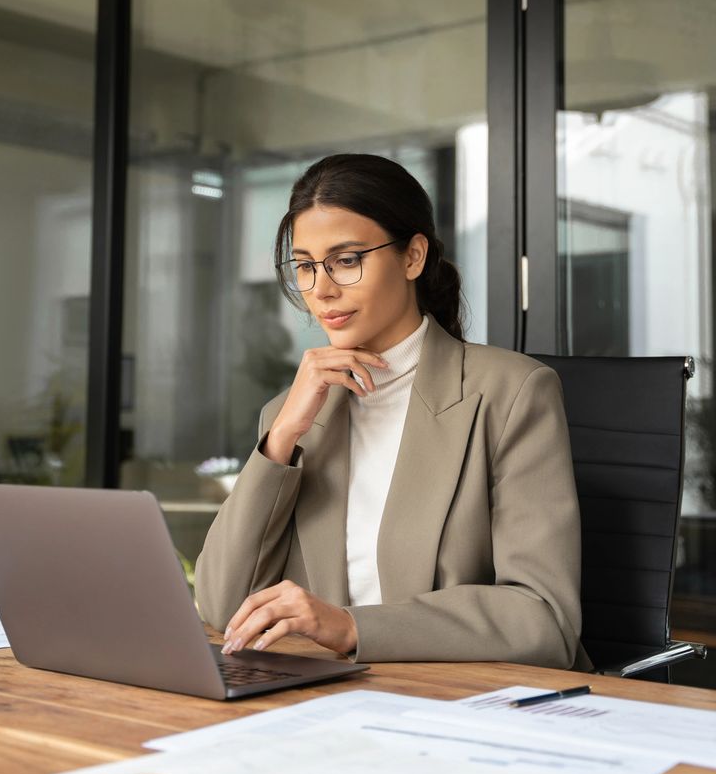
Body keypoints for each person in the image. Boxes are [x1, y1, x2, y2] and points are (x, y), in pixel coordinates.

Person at [195, 153, 586, 669]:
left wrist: (352, 626)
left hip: (464, 700)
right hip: (331, 698)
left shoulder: (511, 393)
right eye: (306, 266)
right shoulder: (290, 415)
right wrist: (283, 435)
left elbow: (543, 617)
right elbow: (225, 607)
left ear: (413, 257)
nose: (322, 290)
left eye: (347, 260)